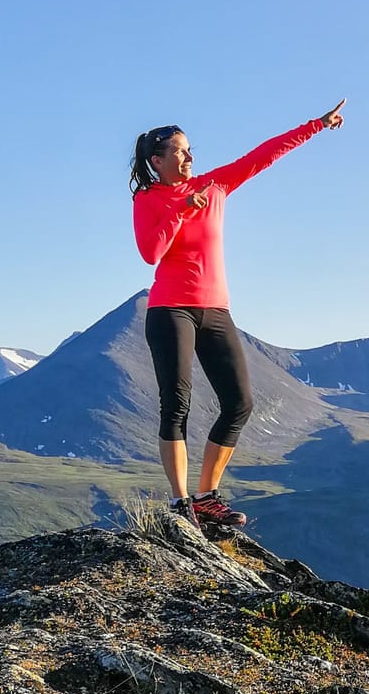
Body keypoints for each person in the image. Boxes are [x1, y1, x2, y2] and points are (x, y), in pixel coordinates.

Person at [129, 100, 346, 528]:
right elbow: (150, 252)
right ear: (158, 160)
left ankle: (207, 495)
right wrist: (183, 209)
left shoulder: (215, 185)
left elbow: (263, 155)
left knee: (239, 402)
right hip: (170, 309)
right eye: (180, 151)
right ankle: (180, 504)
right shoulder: (149, 199)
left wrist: (317, 125)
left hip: (216, 309)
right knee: (176, 405)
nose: (190, 157)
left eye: (190, 149)